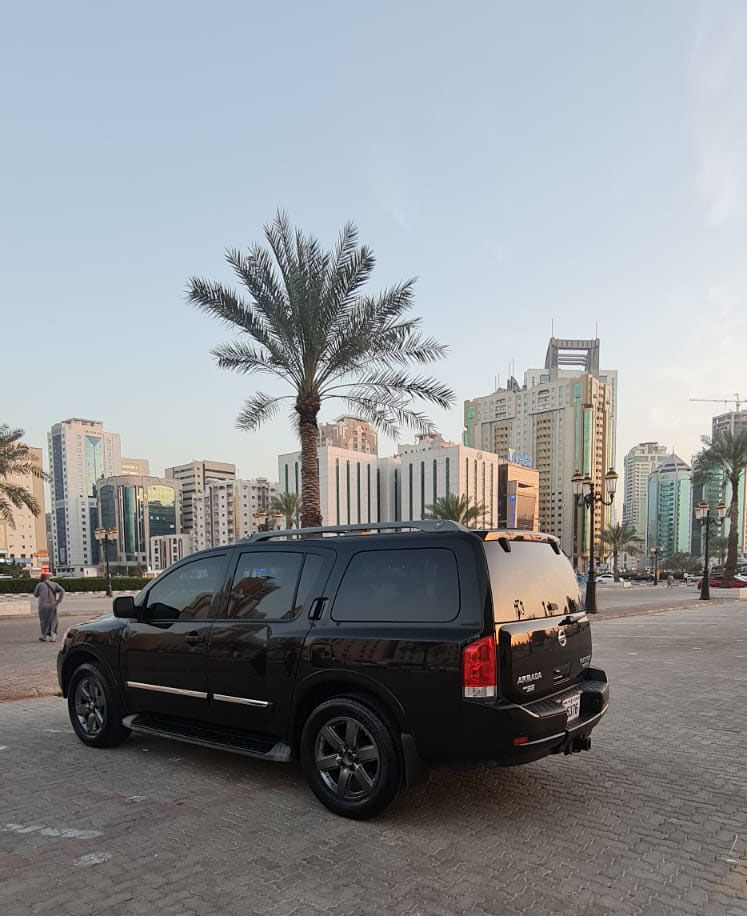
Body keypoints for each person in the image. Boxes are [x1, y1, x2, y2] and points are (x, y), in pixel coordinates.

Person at [33, 573, 65, 642]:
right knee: (53, 620)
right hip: (53, 604)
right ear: (48, 578)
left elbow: (35, 595)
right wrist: (59, 600)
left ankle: (44, 636)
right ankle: (53, 636)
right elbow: (62, 590)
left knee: (43, 621)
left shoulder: (39, 585)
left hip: (43, 605)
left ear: (41, 578)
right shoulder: (54, 584)